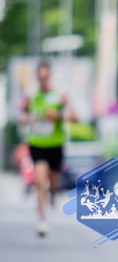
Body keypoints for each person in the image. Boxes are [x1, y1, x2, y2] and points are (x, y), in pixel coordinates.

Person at [20, 60, 77, 236]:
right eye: (40, 77)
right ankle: (41, 220)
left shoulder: (59, 95)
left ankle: (53, 192)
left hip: (55, 144)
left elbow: (75, 117)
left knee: (53, 181)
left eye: (45, 77)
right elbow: (23, 115)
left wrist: (58, 115)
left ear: (50, 76)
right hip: (37, 143)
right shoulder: (31, 95)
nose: (43, 80)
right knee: (39, 181)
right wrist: (25, 118)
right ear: (37, 77)